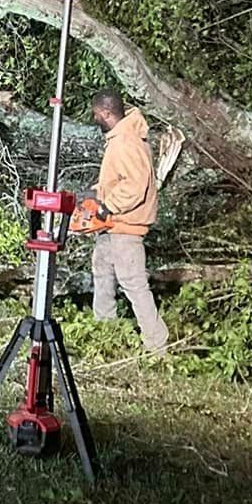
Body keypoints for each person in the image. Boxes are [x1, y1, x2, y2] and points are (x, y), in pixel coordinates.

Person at [86, 90, 168, 356]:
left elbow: (135, 185)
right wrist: (98, 195)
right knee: (102, 276)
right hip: (111, 226)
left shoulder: (127, 141)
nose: (94, 117)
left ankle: (157, 346)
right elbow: (119, 179)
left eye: (96, 113)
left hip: (126, 227)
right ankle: (104, 335)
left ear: (106, 113)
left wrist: (107, 205)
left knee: (133, 284)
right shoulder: (119, 139)